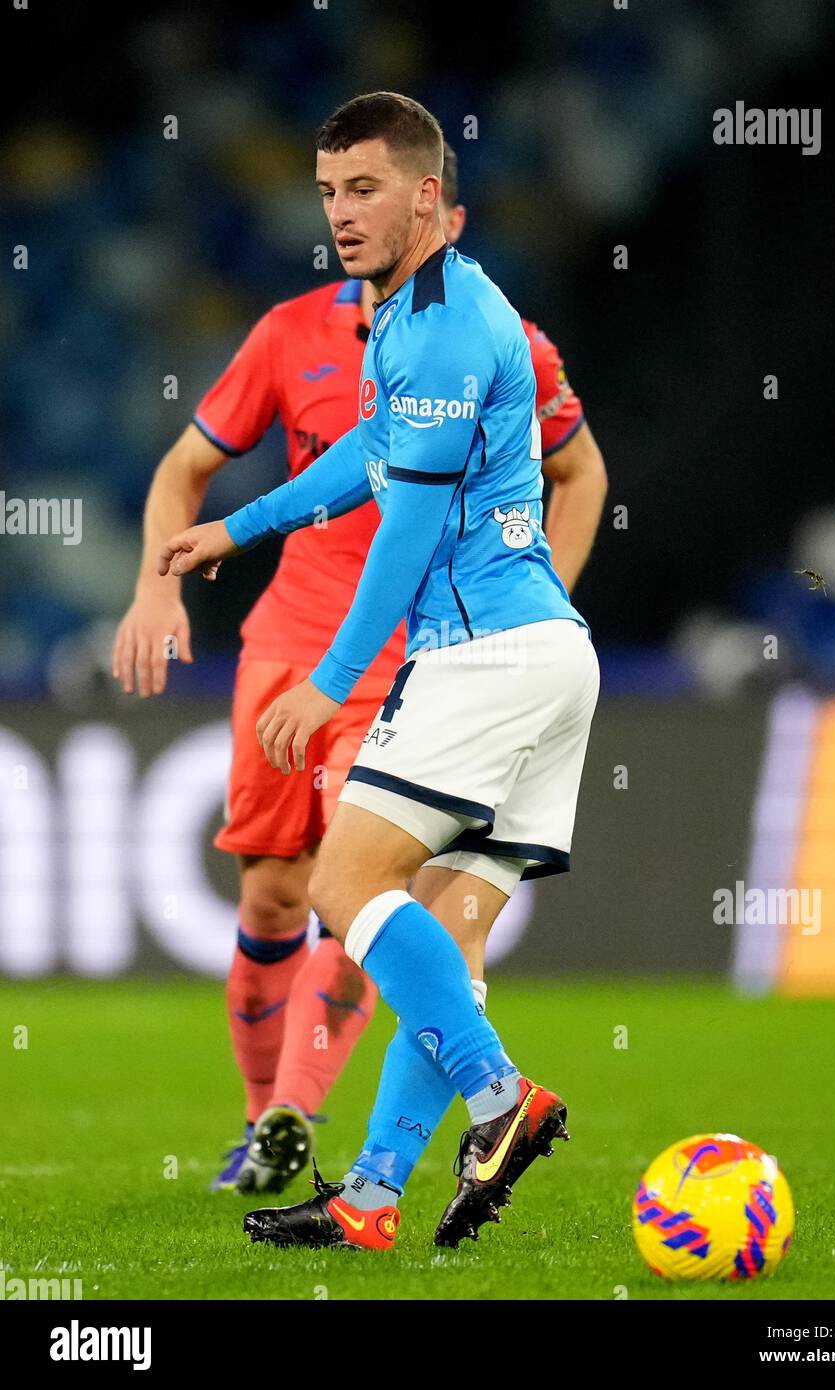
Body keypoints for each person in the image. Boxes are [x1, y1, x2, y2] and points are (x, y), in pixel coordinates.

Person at [113, 134, 606, 1199]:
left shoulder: (448, 334)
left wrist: (332, 679)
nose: (338, 211)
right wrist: (235, 530)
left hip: (465, 651)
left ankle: (495, 1095)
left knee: (345, 884)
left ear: (432, 201)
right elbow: (361, 460)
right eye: (328, 189)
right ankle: (372, 1194)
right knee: (435, 926)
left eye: (363, 189)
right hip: (537, 653)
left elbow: (407, 530)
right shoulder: (405, 319)